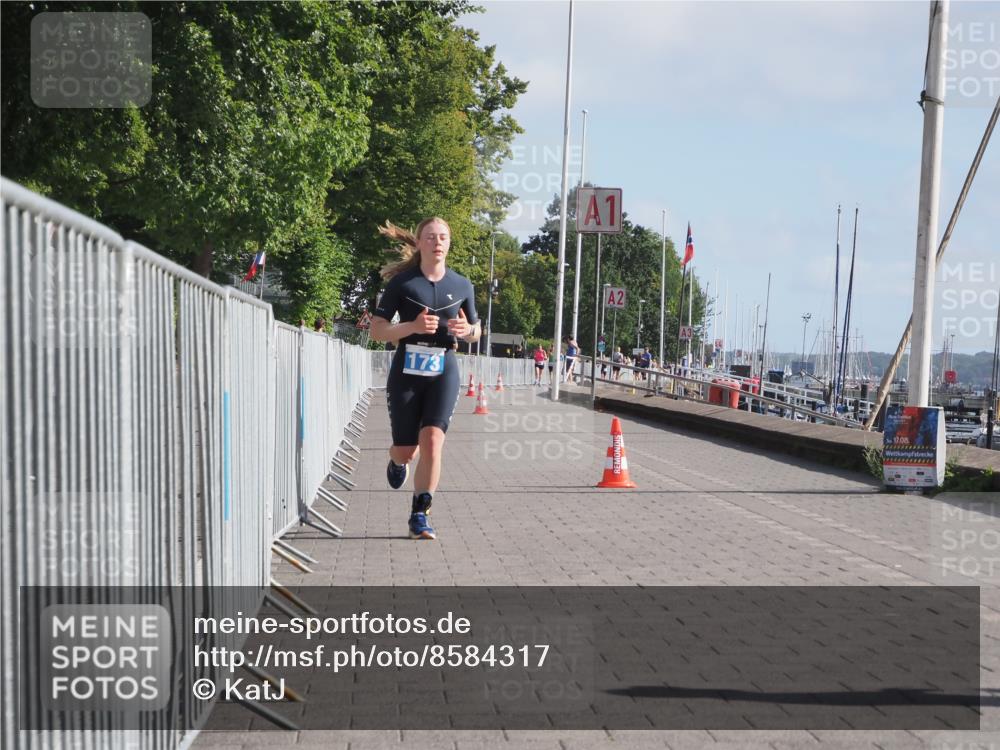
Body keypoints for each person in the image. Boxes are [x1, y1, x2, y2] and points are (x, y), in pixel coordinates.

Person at [369, 218, 481, 540]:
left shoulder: (462, 284)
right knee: (407, 451)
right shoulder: (403, 284)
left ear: (449, 243)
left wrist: (467, 331)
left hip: (443, 369)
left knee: (432, 441)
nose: (437, 242)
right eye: (430, 237)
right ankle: (397, 461)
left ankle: (420, 514)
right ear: (419, 243)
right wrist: (413, 327)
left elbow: (476, 330)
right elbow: (377, 330)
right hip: (407, 370)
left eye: (443, 237)